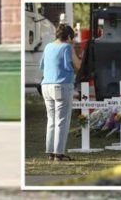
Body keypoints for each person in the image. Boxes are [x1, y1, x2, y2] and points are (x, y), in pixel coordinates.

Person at [40, 24, 81, 161]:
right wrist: (74, 49)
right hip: (62, 86)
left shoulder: (48, 47)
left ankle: (50, 152)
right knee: (62, 121)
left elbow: (42, 66)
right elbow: (78, 65)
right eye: (72, 38)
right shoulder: (67, 47)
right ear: (69, 36)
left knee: (51, 120)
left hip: (46, 86)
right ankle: (59, 153)